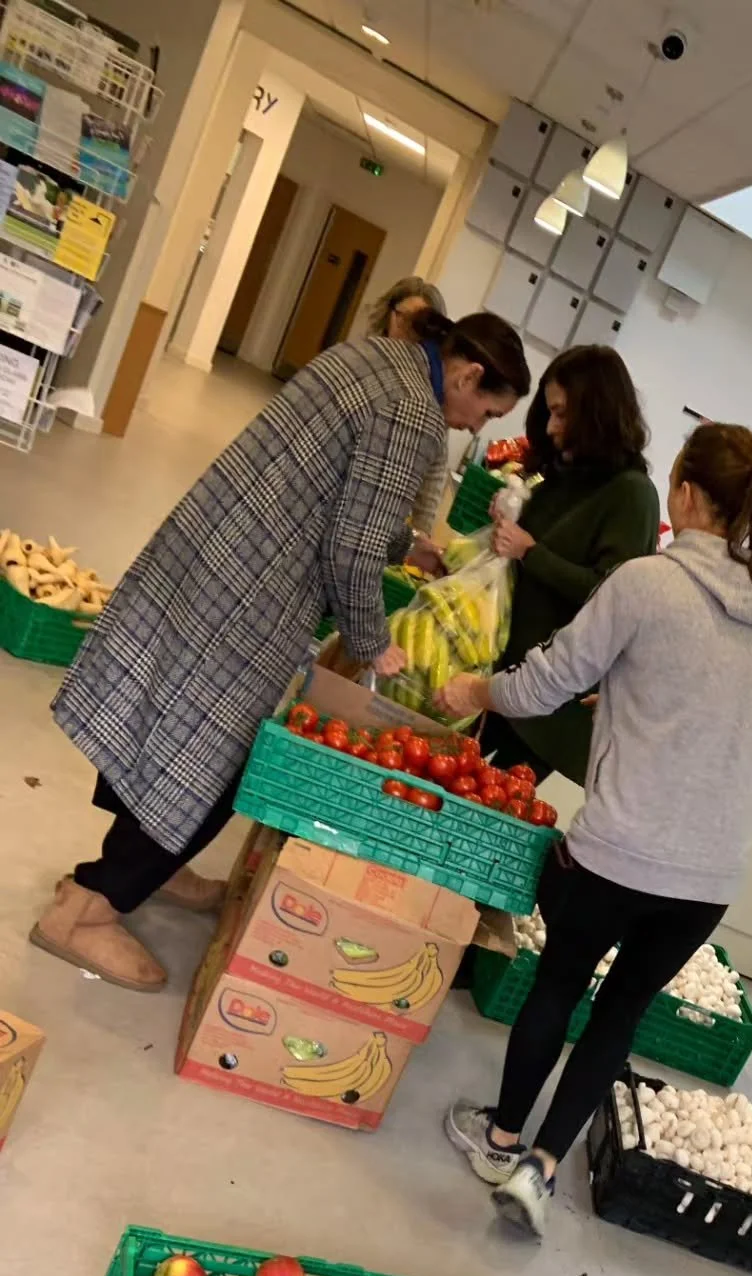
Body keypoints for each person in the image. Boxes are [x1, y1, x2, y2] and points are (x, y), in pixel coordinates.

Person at [33, 311, 531, 992]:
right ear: (469, 375)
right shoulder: (415, 413)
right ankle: (86, 910)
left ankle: (148, 868)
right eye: (487, 412)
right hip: (252, 589)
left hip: (213, 549)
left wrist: (408, 547)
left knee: (163, 724)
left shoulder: (377, 357)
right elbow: (350, 547)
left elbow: (338, 496)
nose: (477, 428)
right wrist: (373, 642)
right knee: (214, 757)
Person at [438, 422, 752, 1237]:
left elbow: (548, 681)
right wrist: (633, 690)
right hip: (707, 877)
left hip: (620, 853)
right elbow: (710, 702)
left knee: (559, 985)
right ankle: (540, 1169)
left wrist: (477, 690)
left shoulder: (648, 582)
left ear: (685, 493)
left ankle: (501, 1140)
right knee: (621, 1013)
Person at [483, 344, 659, 785]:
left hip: (547, 710)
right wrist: (510, 512)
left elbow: (613, 597)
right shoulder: (562, 474)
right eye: (549, 412)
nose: (551, 426)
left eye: (561, 413)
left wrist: (530, 552)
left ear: (596, 412)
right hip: (500, 678)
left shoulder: (631, 494)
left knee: (481, 809)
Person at [366, 277, 450, 571]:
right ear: (389, 314)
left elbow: (435, 469)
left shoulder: (430, 389)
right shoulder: (365, 361)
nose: (407, 331)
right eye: (403, 318)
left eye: (419, 325)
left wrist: (421, 533)